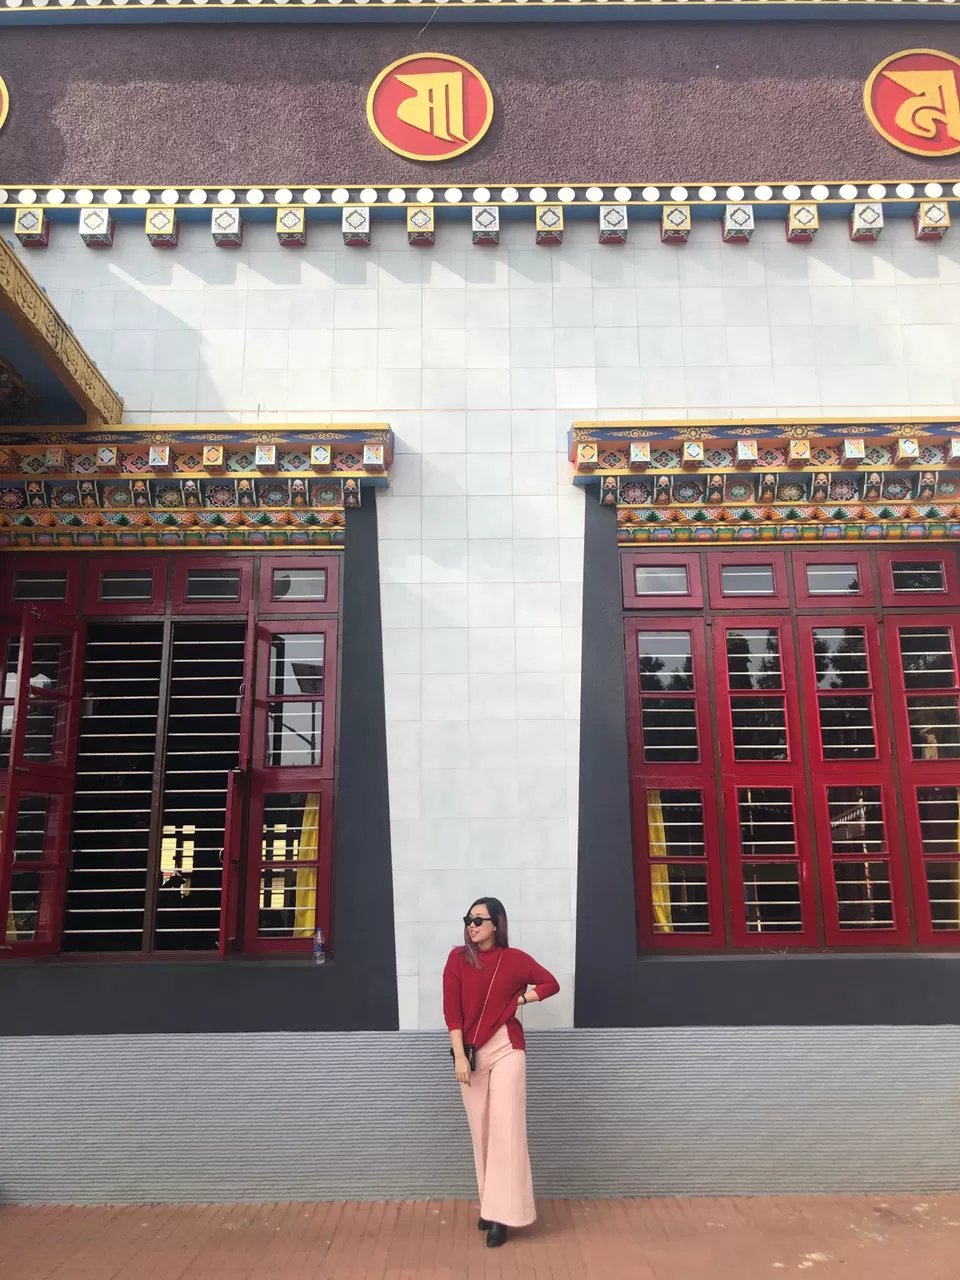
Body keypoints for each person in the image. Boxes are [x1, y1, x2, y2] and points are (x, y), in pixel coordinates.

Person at [442, 896, 560, 1249]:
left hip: (508, 1049)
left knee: (506, 1131)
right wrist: (460, 1058)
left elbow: (550, 983)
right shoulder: (457, 959)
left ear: (497, 923)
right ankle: (489, 1205)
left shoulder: (515, 960)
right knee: (481, 1131)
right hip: (472, 1054)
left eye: (479, 919)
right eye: (468, 919)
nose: (472, 925)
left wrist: (521, 1000)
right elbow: (452, 1012)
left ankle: (503, 1216)